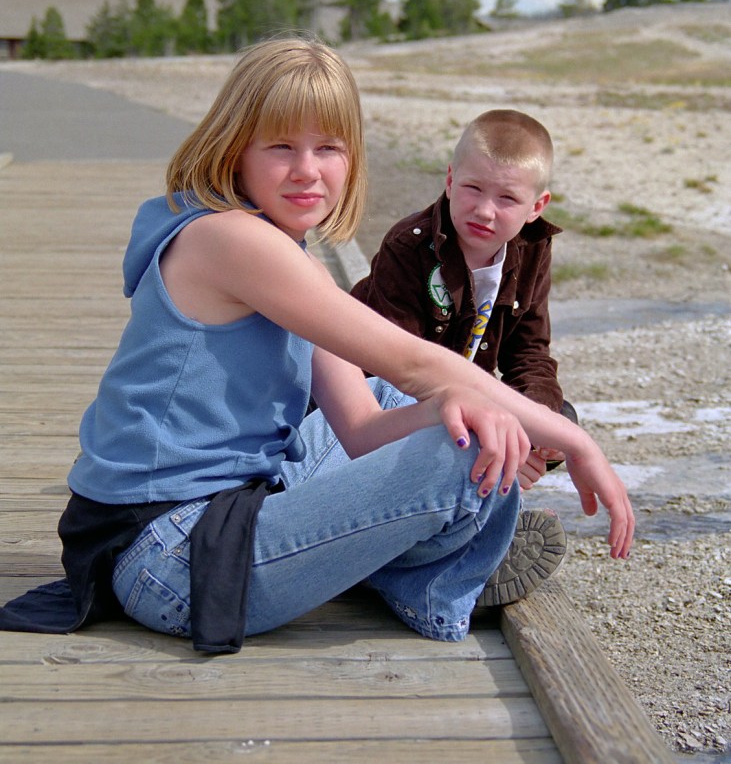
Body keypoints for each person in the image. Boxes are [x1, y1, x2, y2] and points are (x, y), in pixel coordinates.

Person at [0, 38, 633, 654]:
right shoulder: (231, 240)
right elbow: (416, 362)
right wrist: (573, 438)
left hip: (229, 510)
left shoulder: (285, 254)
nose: (309, 170)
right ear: (235, 149)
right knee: (456, 447)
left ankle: (409, 549)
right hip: (171, 557)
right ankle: (425, 579)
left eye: (328, 147)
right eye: (281, 147)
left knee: (427, 408)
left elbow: (360, 428)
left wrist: (468, 410)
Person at [352, 109, 575, 492]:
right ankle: (459, 509)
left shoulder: (533, 249)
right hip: (392, 400)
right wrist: (491, 427)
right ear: (451, 180)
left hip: (468, 393)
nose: (484, 210)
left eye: (507, 198)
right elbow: (398, 371)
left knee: (560, 420)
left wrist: (538, 421)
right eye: (474, 188)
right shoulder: (409, 246)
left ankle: (489, 496)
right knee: (475, 433)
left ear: (536, 207)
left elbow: (530, 353)